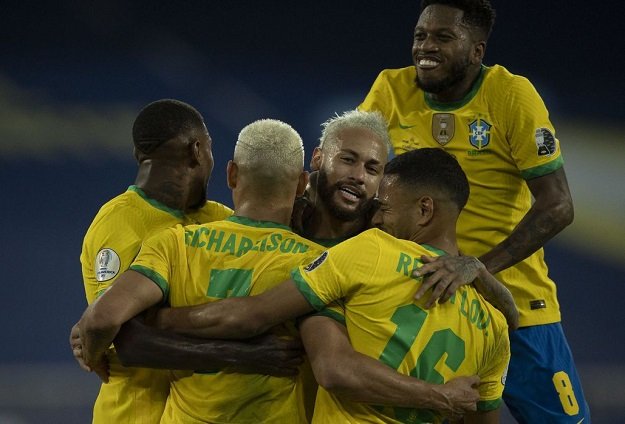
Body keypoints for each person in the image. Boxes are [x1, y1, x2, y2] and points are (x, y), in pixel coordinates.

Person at [78, 119, 491, 423]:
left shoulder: (381, 241)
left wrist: (476, 267)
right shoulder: (312, 246)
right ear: (310, 170)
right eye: (348, 160)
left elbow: (109, 319)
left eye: (372, 168)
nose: (358, 176)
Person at [357, 1, 590, 422]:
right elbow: (355, 172)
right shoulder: (391, 89)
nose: (425, 47)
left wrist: (477, 268)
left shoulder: (510, 95)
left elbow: (558, 205)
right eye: (420, 36)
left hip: (517, 306)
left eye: (443, 37)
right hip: (427, 301)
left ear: (477, 51)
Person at [72, 100, 303, 424]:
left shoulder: (218, 218)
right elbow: (127, 339)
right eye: (210, 148)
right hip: (133, 415)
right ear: (197, 150)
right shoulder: (120, 223)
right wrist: (242, 356)